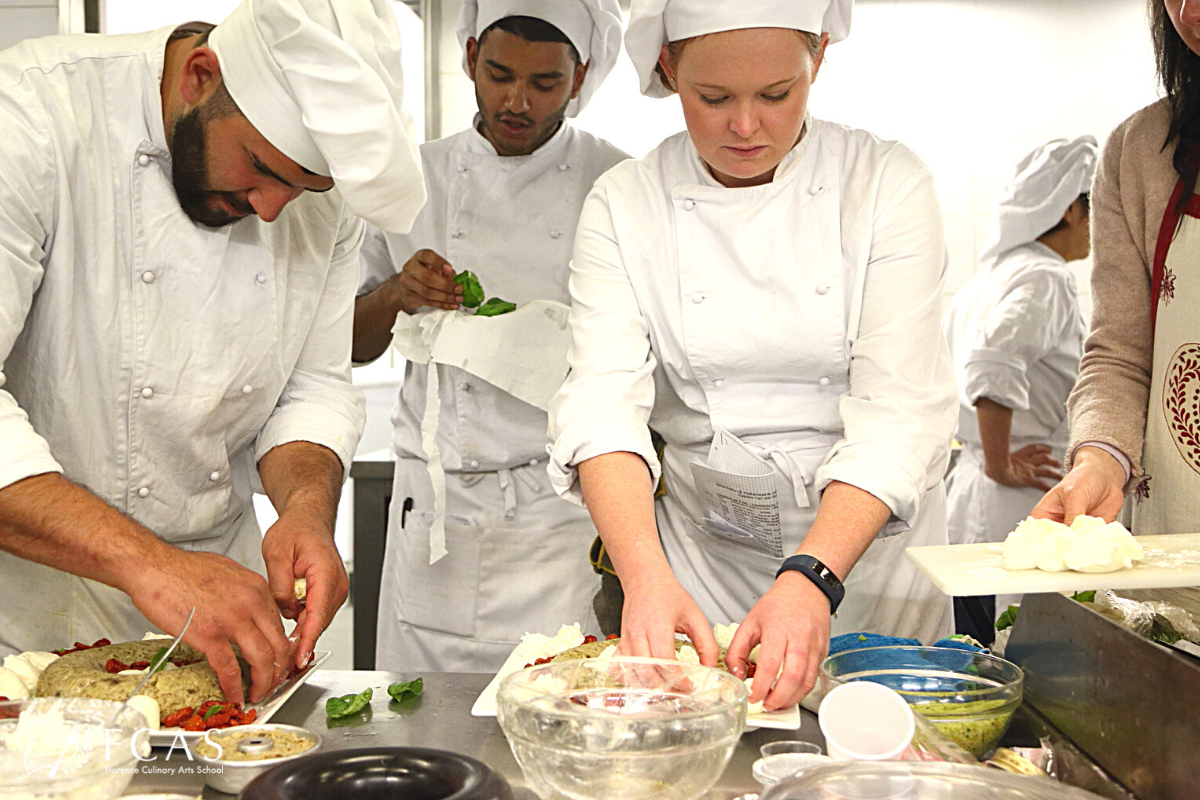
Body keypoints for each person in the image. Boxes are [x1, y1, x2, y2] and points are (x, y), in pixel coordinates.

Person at [0, 0, 425, 704]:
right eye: (259, 167)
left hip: (218, 618)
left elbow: (312, 387)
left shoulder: (306, 199)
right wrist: (152, 566)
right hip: (26, 615)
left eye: (303, 189)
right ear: (200, 75)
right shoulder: (33, 116)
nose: (270, 210)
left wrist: (306, 513)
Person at [547, 0, 957, 712]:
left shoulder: (886, 184)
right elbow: (602, 403)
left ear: (819, 59)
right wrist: (645, 577)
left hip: (869, 561)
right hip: (705, 569)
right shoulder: (625, 203)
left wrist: (813, 577)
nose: (745, 125)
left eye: (777, 95)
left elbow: (899, 411)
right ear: (670, 68)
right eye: (713, 98)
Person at [353, 0, 627, 672]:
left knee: (555, 709)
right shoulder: (410, 179)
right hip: (437, 512)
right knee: (418, 727)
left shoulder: (616, 185)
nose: (517, 101)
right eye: (500, 74)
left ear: (581, 77)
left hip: (557, 511)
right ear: (470, 55)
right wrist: (395, 295)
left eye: (544, 84)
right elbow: (350, 345)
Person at [1033, 0, 1200, 532]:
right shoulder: (1140, 150)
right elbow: (1122, 354)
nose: (1189, 9)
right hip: (1173, 547)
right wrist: (1100, 459)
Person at [942, 137, 1096, 628]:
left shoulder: (991, 278)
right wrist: (1001, 462)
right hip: (1016, 494)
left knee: (977, 642)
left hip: (974, 499)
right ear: (1071, 208)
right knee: (1016, 651)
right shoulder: (1044, 278)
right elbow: (993, 364)